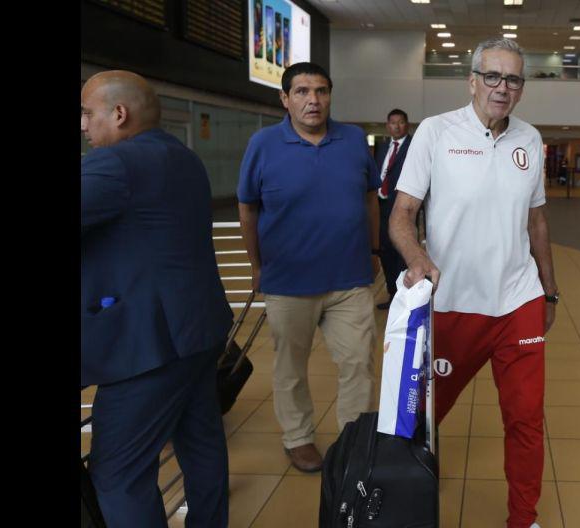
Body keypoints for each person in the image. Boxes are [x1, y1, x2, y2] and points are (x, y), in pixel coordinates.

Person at [389, 37, 557, 528]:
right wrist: (417, 258)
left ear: (522, 89)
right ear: (472, 80)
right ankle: (400, 497)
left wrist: (549, 290)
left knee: (525, 419)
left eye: (513, 80)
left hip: (518, 301)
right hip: (453, 304)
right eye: (493, 76)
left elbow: (538, 222)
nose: (502, 88)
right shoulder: (436, 133)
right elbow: (401, 215)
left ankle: (523, 520)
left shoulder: (529, 138)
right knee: (423, 418)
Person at [81, 70, 233, 528]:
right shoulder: (183, 158)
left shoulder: (116, 165)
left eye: (88, 115)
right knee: (202, 448)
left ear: (119, 114)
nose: (84, 127)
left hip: (146, 349)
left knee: (118, 473)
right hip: (198, 333)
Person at [237, 62, 381, 473]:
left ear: (330, 96)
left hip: (349, 279)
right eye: (301, 91)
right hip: (288, 282)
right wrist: (256, 265)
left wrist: (373, 252)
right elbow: (248, 208)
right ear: (284, 99)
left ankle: (353, 440)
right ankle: (298, 438)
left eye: (320, 91)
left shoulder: (353, 139)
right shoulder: (263, 144)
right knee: (290, 368)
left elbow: (371, 198)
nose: (312, 100)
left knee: (358, 362)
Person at [374, 108, 413, 310]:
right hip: (381, 205)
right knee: (385, 251)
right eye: (392, 122)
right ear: (387, 125)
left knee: (402, 252)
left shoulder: (414, 146)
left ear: (406, 124)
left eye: (400, 122)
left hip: (403, 206)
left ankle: (405, 298)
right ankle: (392, 295)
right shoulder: (382, 147)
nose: (396, 126)